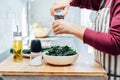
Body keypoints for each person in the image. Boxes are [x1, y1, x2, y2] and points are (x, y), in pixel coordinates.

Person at [50, 0, 120, 80]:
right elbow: (90, 1)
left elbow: (116, 43)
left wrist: (73, 28)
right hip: (104, 74)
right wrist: (68, 1)